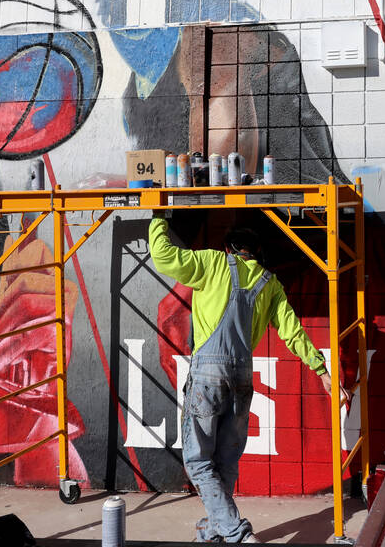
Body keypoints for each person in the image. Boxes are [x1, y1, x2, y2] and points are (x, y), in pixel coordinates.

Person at [148, 213, 346, 542]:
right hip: (242, 377)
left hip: (208, 374)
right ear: (256, 253)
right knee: (226, 458)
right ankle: (214, 528)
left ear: (230, 248)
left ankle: (236, 534)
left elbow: (163, 256)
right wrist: (321, 369)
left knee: (197, 460)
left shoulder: (212, 263)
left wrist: (157, 218)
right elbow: (293, 332)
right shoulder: (269, 283)